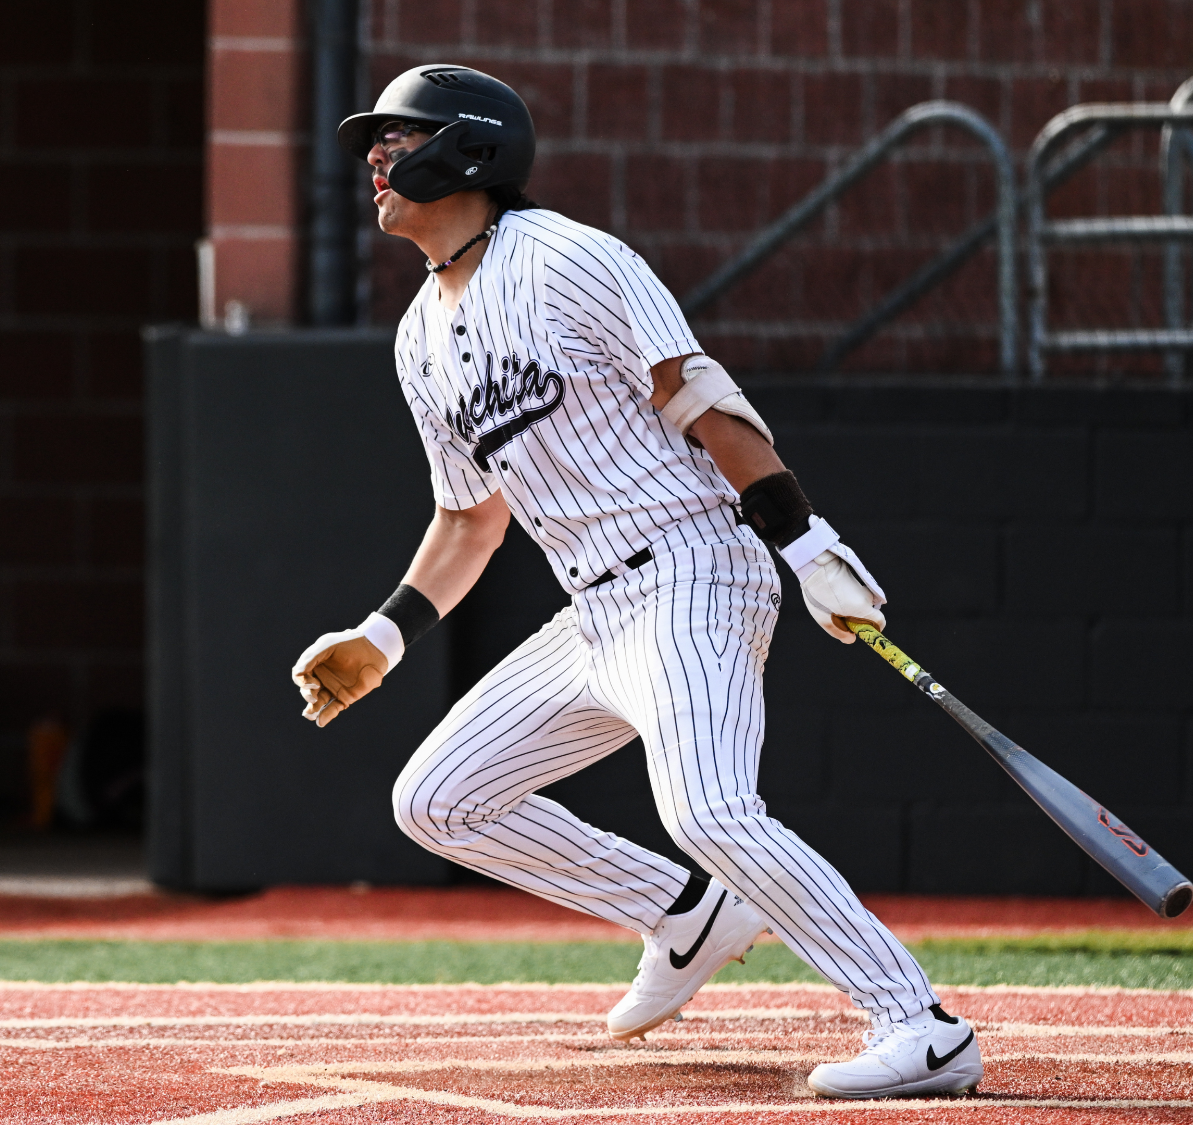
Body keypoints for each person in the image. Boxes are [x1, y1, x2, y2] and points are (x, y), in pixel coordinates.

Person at [292, 65, 984, 1100]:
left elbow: (700, 398)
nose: (376, 165)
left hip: (693, 569)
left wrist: (806, 547)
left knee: (708, 808)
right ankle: (687, 912)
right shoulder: (415, 338)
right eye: (374, 148)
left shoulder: (566, 257)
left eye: (397, 140)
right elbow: (469, 517)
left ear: (468, 152)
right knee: (435, 800)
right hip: (595, 610)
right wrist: (381, 637)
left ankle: (921, 1028)